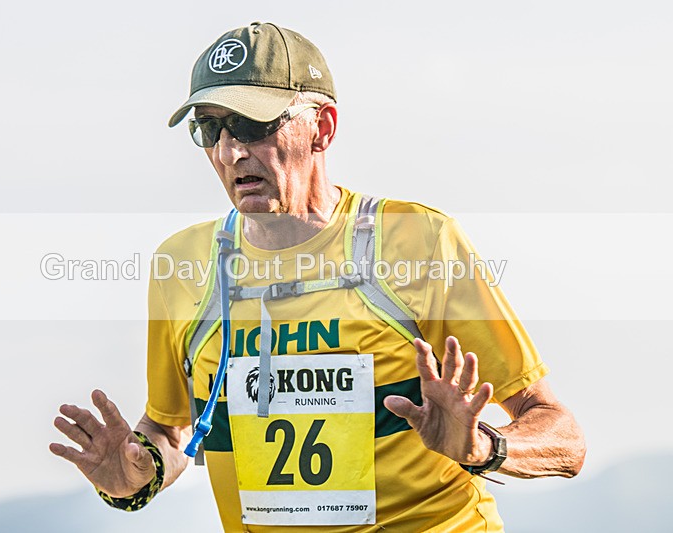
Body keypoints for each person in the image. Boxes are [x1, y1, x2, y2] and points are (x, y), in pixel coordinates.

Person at [50, 22, 586, 532]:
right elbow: (173, 430)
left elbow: (562, 436)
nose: (231, 150)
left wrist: (483, 448)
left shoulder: (418, 240)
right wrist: (132, 476)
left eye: (253, 125)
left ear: (322, 128)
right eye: (210, 128)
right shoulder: (182, 264)